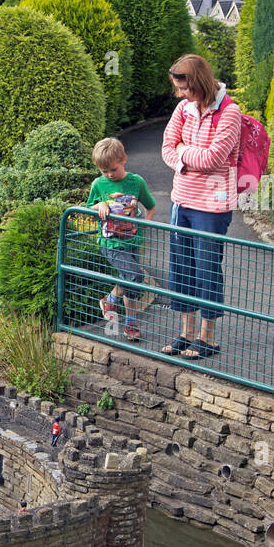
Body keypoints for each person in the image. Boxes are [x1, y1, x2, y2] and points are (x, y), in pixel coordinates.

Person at [160, 53, 241, 361]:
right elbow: (167, 149)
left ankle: (208, 337)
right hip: (181, 200)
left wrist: (183, 151)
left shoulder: (230, 113)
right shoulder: (183, 109)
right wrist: (185, 153)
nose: (180, 95)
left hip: (212, 205)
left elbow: (213, 160)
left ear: (198, 83)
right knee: (181, 268)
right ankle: (186, 332)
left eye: (184, 88)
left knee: (207, 268)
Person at [89, 137, 157, 342]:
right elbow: (88, 205)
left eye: (113, 169)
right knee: (135, 277)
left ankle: (130, 323)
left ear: (124, 159)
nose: (109, 175)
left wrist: (144, 223)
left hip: (132, 240)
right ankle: (110, 299)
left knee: (133, 284)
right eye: (104, 171)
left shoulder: (136, 182)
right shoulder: (99, 184)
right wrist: (100, 205)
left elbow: (151, 206)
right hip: (111, 242)